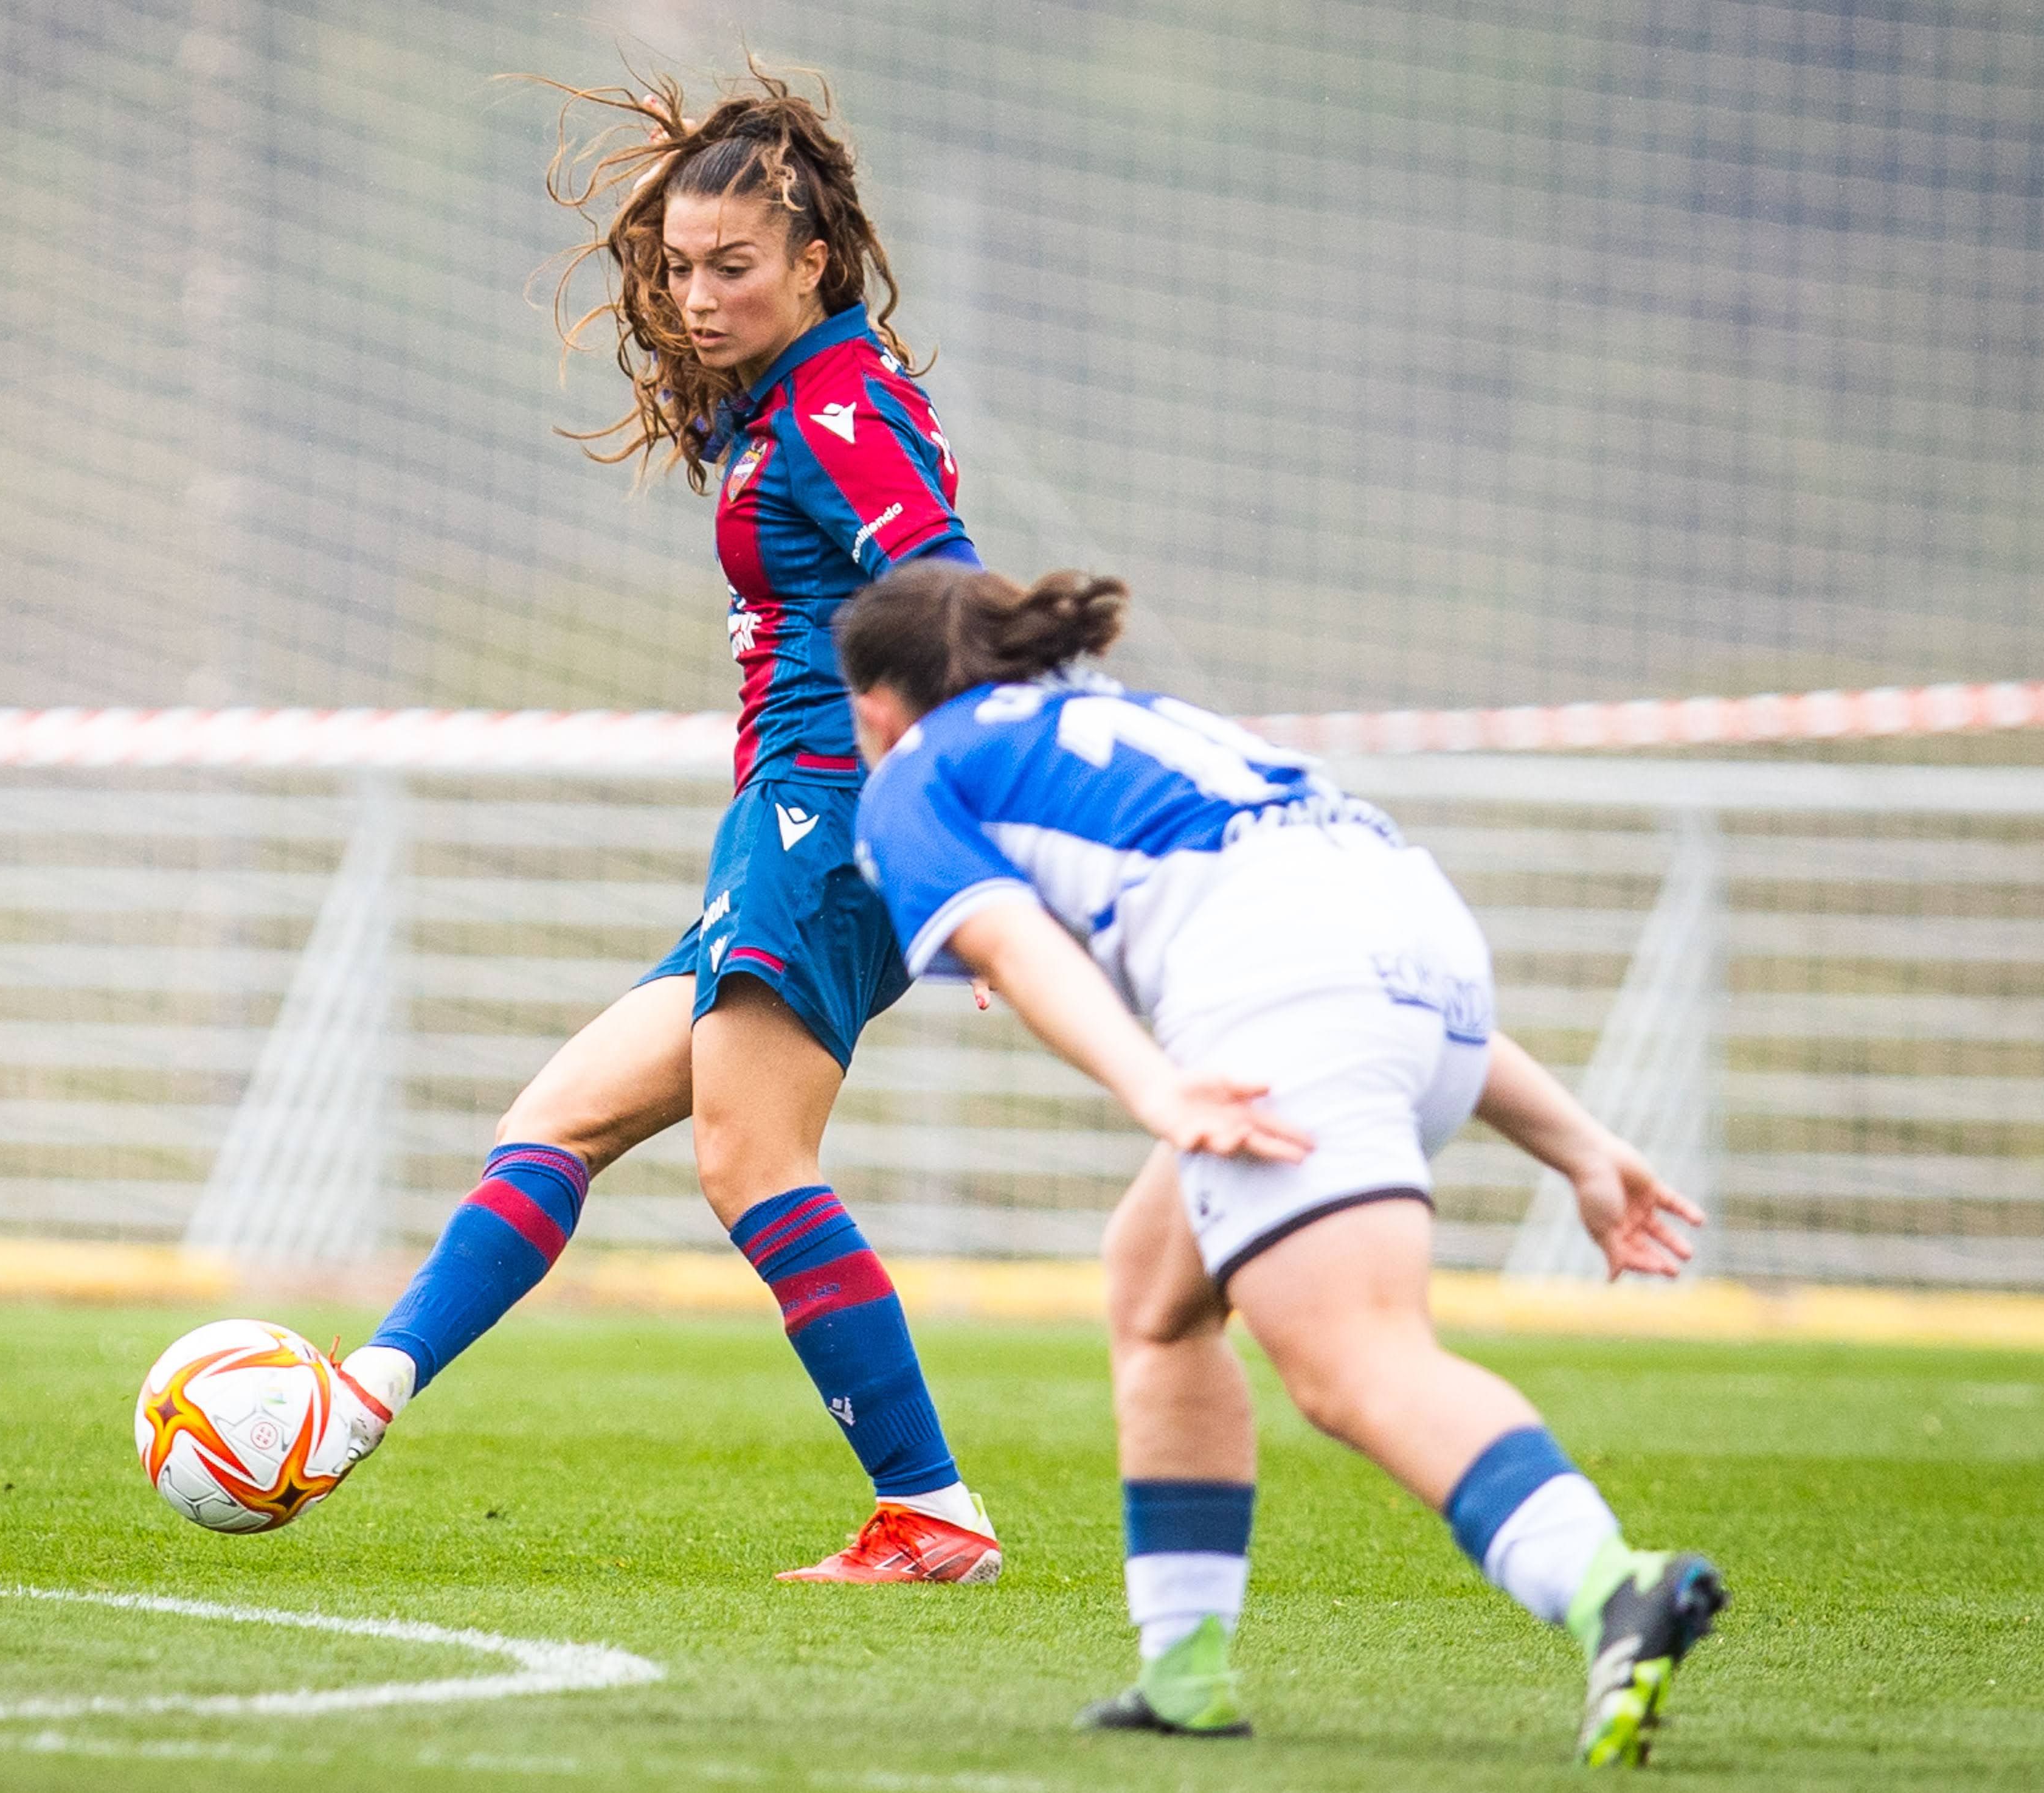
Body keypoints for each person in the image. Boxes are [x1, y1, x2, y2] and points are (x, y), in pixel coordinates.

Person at [833, 558, 1728, 1764]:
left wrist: (1154, 1081)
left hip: (1293, 994)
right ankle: (1183, 1672)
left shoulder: (916, 768)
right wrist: (1577, 1141)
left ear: (878, 704)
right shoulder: (1144, 720)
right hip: (1429, 967)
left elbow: (1013, 943)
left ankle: (1611, 1583)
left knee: (1356, 1361)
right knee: (1156, 1292)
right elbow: (1361, 957)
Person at [329, 69, 1004, 1583]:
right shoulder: (789, 403)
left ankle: (933, 1513)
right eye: (680, 269)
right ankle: (349, 1408)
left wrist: (966, 847)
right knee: (557, 1116)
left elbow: (951, 598)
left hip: (828, 822)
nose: (696, 298)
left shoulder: (840, 409)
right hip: (788, 825)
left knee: (749, 1161)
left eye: (734, 268)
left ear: (815, 259)